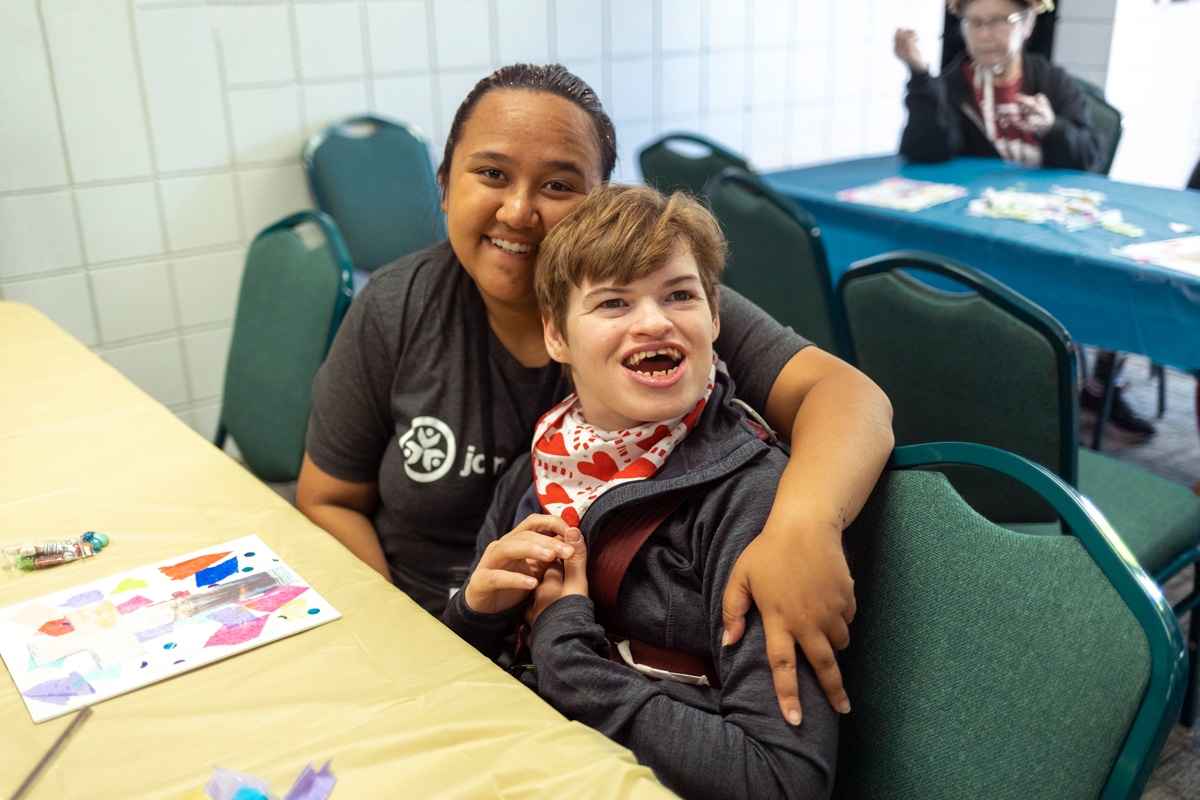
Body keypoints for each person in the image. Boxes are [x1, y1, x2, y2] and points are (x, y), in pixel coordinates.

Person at [297, 63, 894, 725]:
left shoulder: (655, 313)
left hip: (591, 682)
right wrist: (405, 648)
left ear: (601, 201)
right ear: (443, 186)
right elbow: (328, 498)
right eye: (491, 174)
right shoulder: (395, 308)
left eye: (558, 185)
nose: (520, 211)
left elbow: (848, 395)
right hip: (438, 642)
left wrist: (804, 525)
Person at [443, 184, 837, 799]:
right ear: (556, 336)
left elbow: (782, 780)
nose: (653, 321)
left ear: (714, 317)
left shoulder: (752, 502)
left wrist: (566, 653)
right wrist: (472, 615)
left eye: (680, 294)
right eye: (613, 303)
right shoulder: (543, 463)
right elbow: (465, 676)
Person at [894, 0, 1156, 440]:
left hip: (1057, 224)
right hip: (983, 233)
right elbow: (925, 150)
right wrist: (921, 76)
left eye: (999, 21)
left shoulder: (1049, 81)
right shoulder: (953, 84)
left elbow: (1092, 157)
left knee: (1122, 279)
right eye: (974, 22)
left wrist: (1051, 128)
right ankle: (996, 397)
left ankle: (1097, 389)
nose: (985, 33)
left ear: (1029, 23)